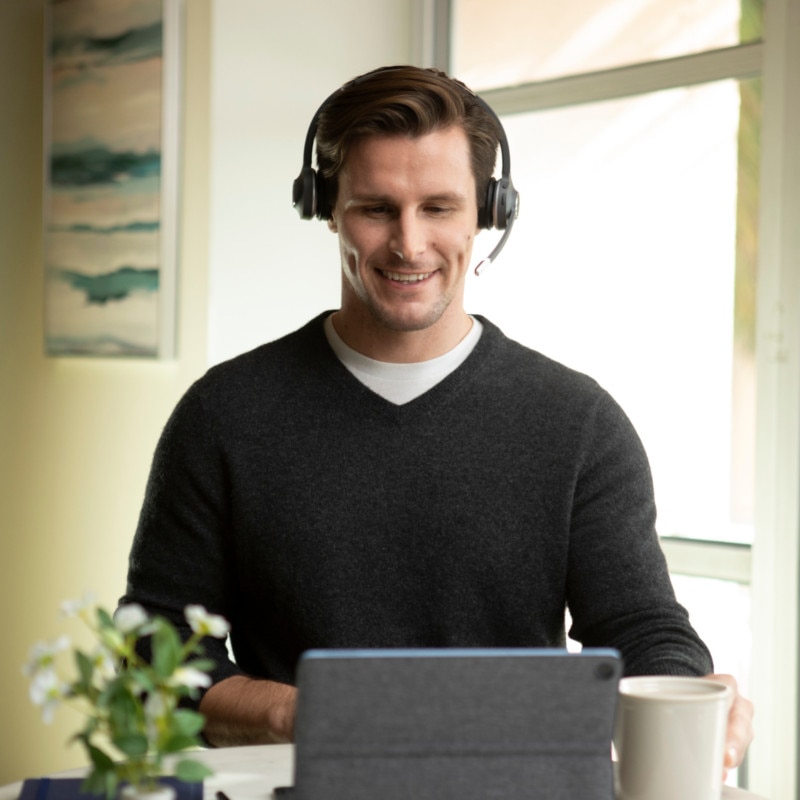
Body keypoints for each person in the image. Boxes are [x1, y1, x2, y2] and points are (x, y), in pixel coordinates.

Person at [121, 65, 753, 774]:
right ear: (325, 207)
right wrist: (304, 716)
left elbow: (643, 625)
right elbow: (155, 646)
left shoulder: (578, 424)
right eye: (376, 208)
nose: (410, 244)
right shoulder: (223, 415)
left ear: (490, 212)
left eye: (439, 208)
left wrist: (689, 690)